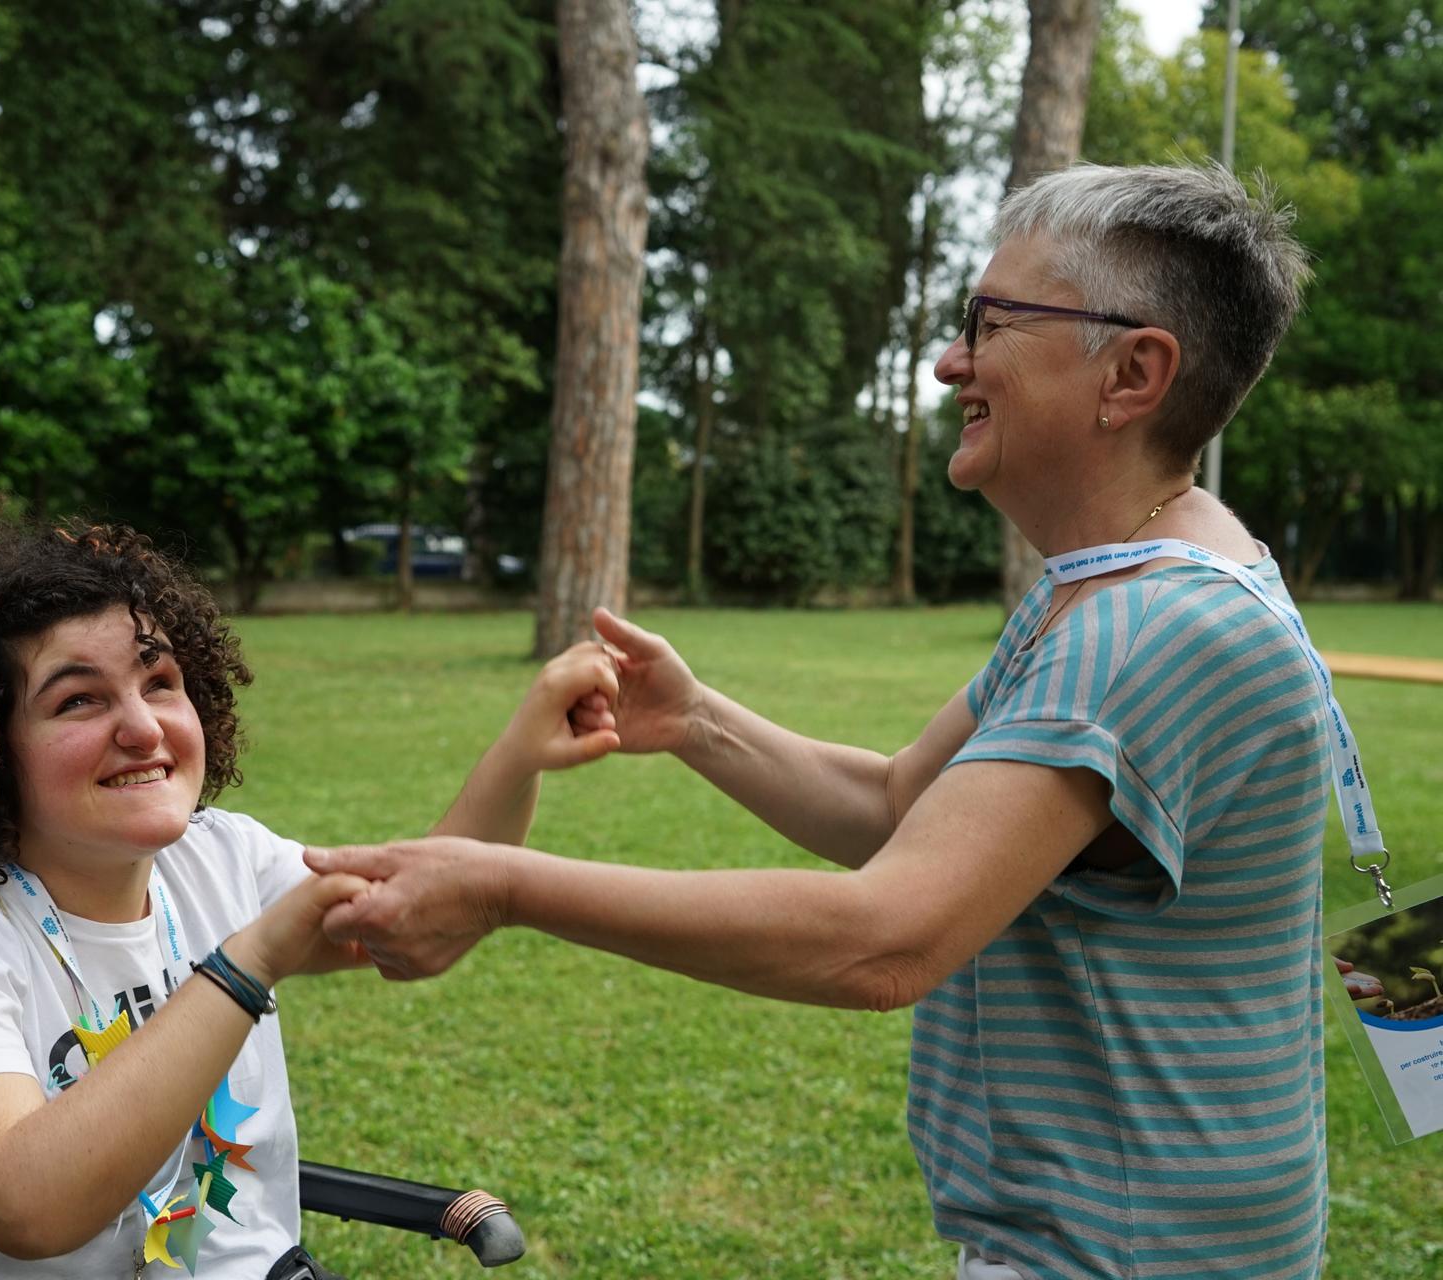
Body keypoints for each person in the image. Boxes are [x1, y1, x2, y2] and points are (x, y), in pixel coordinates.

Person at [308, 163, 1328, 1280]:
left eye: (990, 324)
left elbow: (883, 940)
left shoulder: (1147, 628)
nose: (951, 362)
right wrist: (695, 721)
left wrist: (504, 885)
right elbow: (901, 804)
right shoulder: (1132, 578)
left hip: (1134, 1253)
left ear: (1131, 373)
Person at [0, 518, 615, 1280]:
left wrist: (520, 756)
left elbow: (421, 911)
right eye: (77, 699)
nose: (144, 728)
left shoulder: (216, 854)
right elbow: (25, 1204)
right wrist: (249, 961)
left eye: (159, 682)